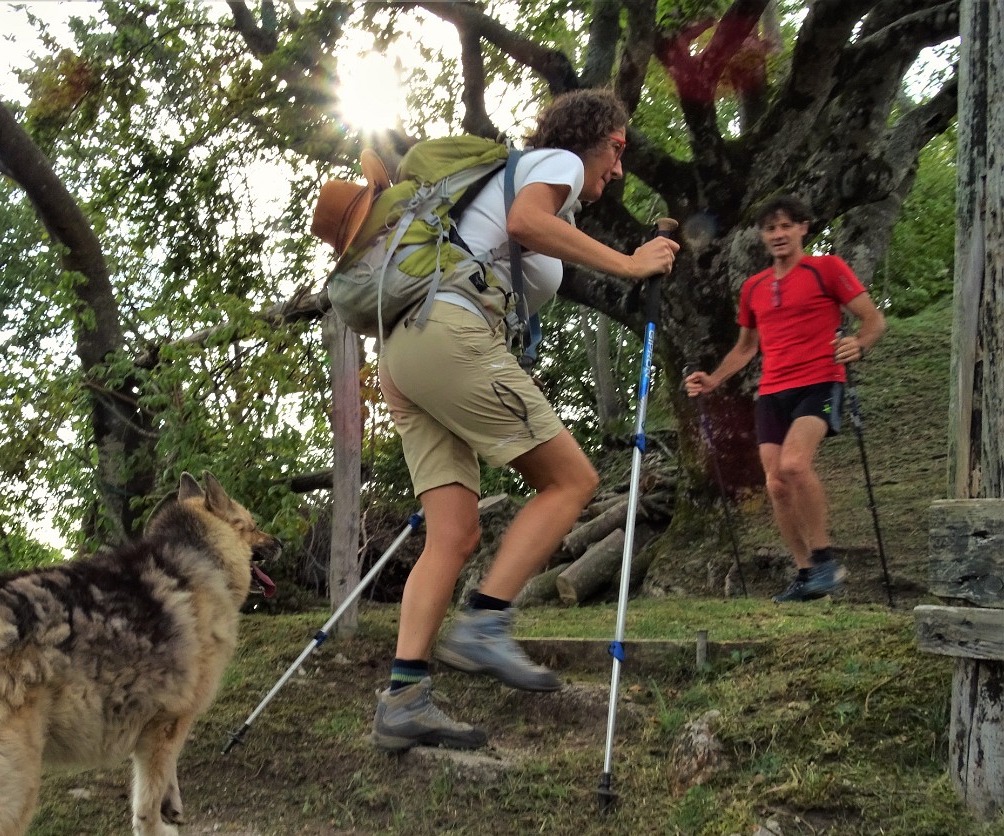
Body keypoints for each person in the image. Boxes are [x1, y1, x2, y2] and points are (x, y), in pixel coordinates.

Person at [370, 88, 679, 753]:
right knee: (571, 481)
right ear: (590, 136)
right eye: (618, 148)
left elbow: (527, 246)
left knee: (452, 533)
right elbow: (527, 225)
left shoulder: (514, 186)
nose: (618, 169)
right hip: (450, 334)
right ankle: (485, 625)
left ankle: (404, 698)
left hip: (405, 351)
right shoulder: (555, 164)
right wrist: (632, 263)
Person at [683, 195, 886, 603]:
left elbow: (873, 319)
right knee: (776, 484)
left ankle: (826, 559)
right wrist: (713, 381)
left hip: (820, 381)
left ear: (803, 228)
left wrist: (859, 345)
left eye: (785, 226)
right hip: (772, 391)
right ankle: (806, 573)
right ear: (762, 235)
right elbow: (745, 348)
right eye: (770, 228)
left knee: (794, 465)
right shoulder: (753, 288)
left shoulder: (826, 269)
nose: (778, 234)